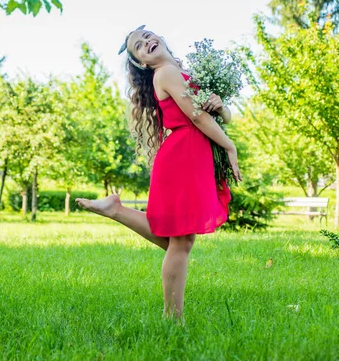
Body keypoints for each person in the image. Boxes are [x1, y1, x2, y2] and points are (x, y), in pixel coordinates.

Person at [75, 25, 242, 324]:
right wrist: (229, 146)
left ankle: (116, 210)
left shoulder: (177, 71)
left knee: (181, 242)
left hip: (190, 154)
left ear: (161, 39)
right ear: (141, 62)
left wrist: (223, 107)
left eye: (148, 36)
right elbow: (195, 115)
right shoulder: (164, 73)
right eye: (139, 46)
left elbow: (216, 114)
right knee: (180, 243)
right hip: (183, 156)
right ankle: (172, 320)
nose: (147, 42)